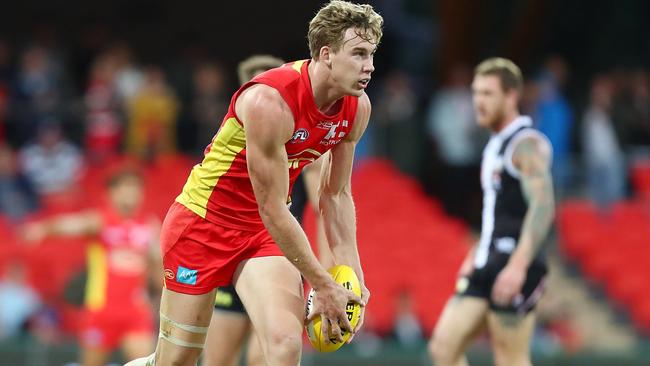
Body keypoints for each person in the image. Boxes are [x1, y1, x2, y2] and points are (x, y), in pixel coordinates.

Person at [126, 1, 382, 365]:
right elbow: (273, 206)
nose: (369, 66)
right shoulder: (269, 101)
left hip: (261, 233)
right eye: (358, 54)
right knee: (179, 358)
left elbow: (336, 194)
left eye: (371, 54)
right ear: (326, 54)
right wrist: (322, 285)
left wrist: (351, 281)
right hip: (202, 224)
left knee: (284, 343)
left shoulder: (358, 107)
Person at [203, 54, 332, 366]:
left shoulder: (306, 149)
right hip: (230, 253)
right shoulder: (227, 144)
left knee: (271, 356)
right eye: (258, 86)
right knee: (217, 361)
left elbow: (327, 207)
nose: (269, 94)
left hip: (276, 254)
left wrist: (327, 276)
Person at [428, 57, 555, 366]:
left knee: (510, 359)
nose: (478, 102)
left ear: (511, 96)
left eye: (487, 94)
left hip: (515, 263)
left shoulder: (526, 144)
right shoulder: (495, 145)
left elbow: (543, 205)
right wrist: (476, 253)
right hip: (488, 261)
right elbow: (497, 214)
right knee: (443, 349)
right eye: (475, 93)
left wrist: (518, 266)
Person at [22, 169, 162, 366]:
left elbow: (157, 269)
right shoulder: (99, 221)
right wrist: (42, 228)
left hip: (135, 311)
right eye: (125, 188)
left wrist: (158, 300)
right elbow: (68, 225)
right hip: (101, 309)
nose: (131, 194)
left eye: (135, 189)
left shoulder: (149, 226)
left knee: (145, 363)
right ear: (111, 193)